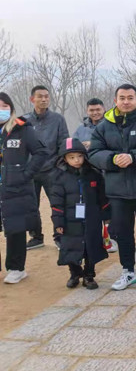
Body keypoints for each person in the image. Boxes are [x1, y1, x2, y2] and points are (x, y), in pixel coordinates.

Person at [89, 84, 136, 291]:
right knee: (123, 233)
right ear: (115, 101)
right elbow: (94, 153)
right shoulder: (104, 126)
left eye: (130, 97)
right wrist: (112, 159)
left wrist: (133, 157)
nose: (126, 101)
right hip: (117, 190)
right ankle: (128, 271)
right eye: (122, 98)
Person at [0, 93, 48, 284]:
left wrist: (25, 173)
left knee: (15, 227)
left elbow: (41, 152)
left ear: (10, 108)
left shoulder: (21, 128)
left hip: (15, 187)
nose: (1, 109)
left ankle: (16, 268)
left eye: (4, 106)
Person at [51, 138, 110, 290]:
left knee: (91, 247)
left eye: (79, 156)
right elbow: (56, 203)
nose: (76, 160)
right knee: (71, 247)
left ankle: (89, 276)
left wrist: (106, 216)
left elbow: (102, 197)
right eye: (71, 157)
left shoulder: (94, 175)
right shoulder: (59, 178)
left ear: (85, 156)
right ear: (64, 159)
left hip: (91, 219)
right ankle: (75, 273)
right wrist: (58, 223)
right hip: (70, 222)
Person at [22, 85, 69, 250]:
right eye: (40, 96)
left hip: (52, 170)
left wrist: (61, 167)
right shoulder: (24, 121)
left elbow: (63, 143)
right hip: (31, 171)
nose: (43, 99)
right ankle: (36, 237)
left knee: (58, 204)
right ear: (32, 99)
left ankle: (60, 236)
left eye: (46, 96)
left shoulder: (58, 119)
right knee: (30, 205)